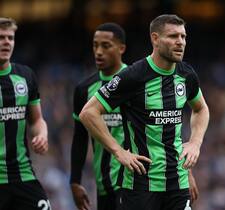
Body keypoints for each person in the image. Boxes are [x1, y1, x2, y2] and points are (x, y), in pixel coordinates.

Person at [79, 14, 209, 210]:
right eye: (173, 36)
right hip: (140, 184)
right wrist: (118, 151)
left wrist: (195, 143)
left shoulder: (187, 74)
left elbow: (201, 109)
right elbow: (88, 113)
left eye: (183, 37)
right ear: (155, 39)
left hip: (177, 182)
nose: (180, 42)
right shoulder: (133, 76)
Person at [70, 22, 128, 210]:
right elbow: (80, 137)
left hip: (133, 182)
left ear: (121, 48)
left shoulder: (137, 82)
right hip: (103, 185)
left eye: (105, 45)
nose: (98, 52)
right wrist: (75, 181)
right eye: (95, 45)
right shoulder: (84, 89)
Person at [0, 17, 50, 210]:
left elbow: (37, 119)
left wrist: (42, 134)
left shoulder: (25, 75)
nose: (6, 42)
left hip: (23, 174)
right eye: (1, 37)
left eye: (10, 38)